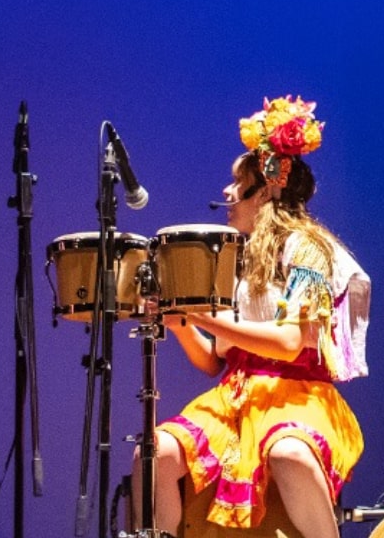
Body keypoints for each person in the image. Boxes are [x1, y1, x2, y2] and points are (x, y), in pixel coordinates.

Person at [131, 96, 370, 538]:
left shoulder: (307, 250)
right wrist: (179, 321)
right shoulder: (234, 259)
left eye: (236, 183)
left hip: (298, 395)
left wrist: (202, 316)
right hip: (237, 396)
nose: (226, 193)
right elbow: (214, 360)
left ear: (266, 190)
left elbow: (290, 342)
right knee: (157, 451)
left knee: (290, 455)